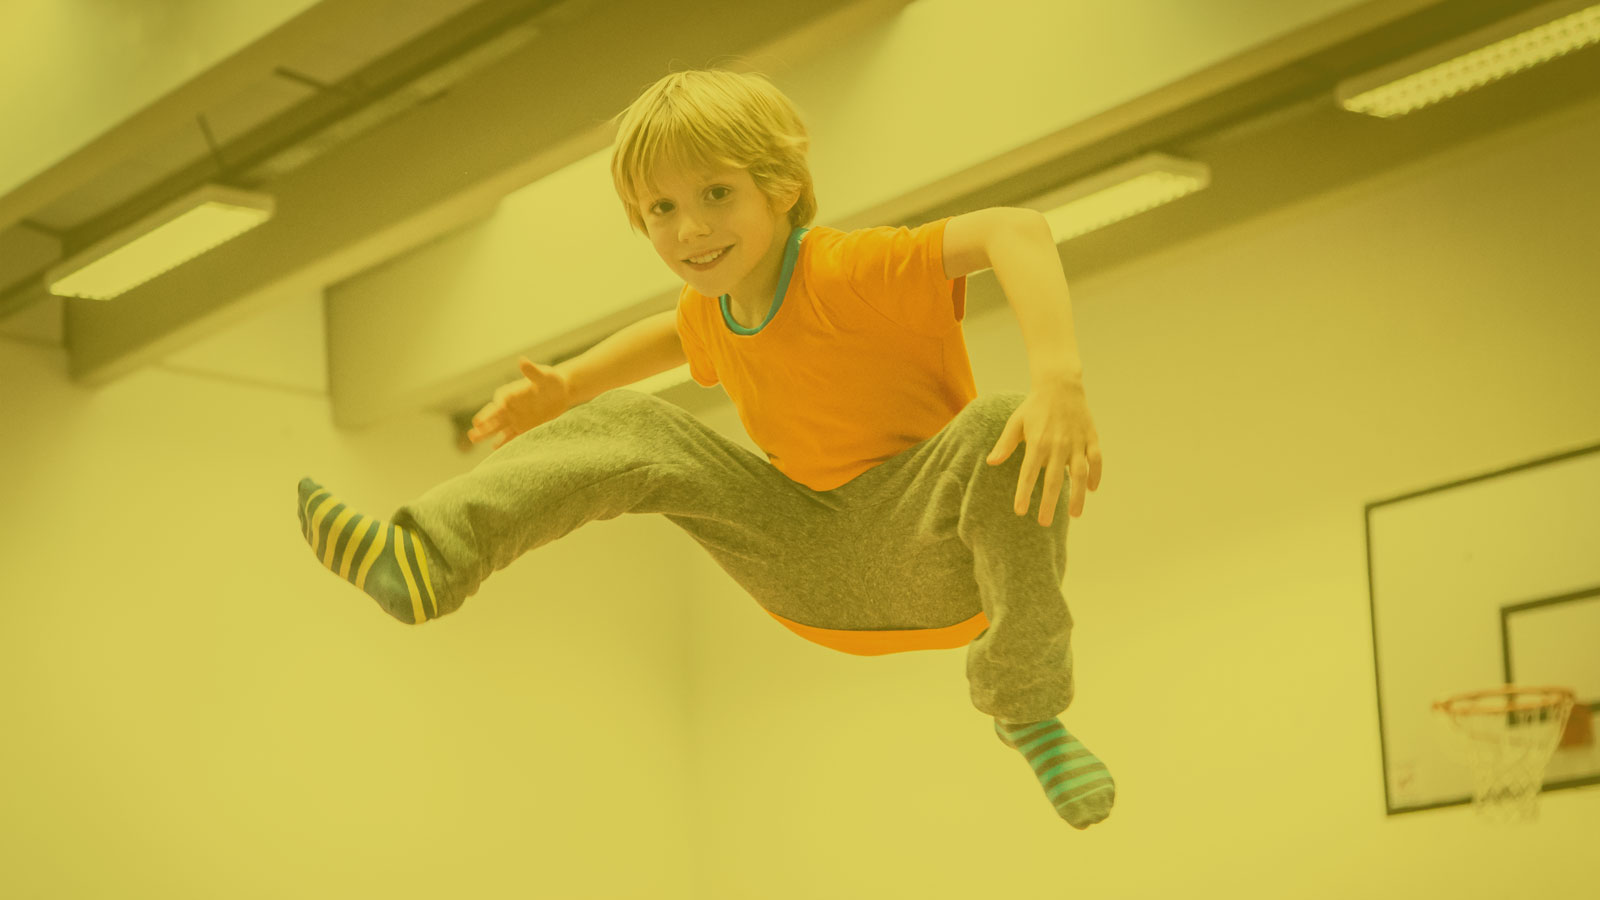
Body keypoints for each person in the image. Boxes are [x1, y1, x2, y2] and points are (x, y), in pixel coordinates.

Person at [296, 67, 1113, 828]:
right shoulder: (713, 315)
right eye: (660, 210)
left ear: (783, 187)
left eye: (717, 193)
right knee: (641, 426)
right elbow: (664, 336)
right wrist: (569, 386)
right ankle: (427, 557)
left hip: (936, 553)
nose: (690, 228)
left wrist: (1060, 383)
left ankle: (1027, 703)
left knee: (1003, 422)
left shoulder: (849, 269)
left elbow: (1018, 229)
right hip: (810, 563)